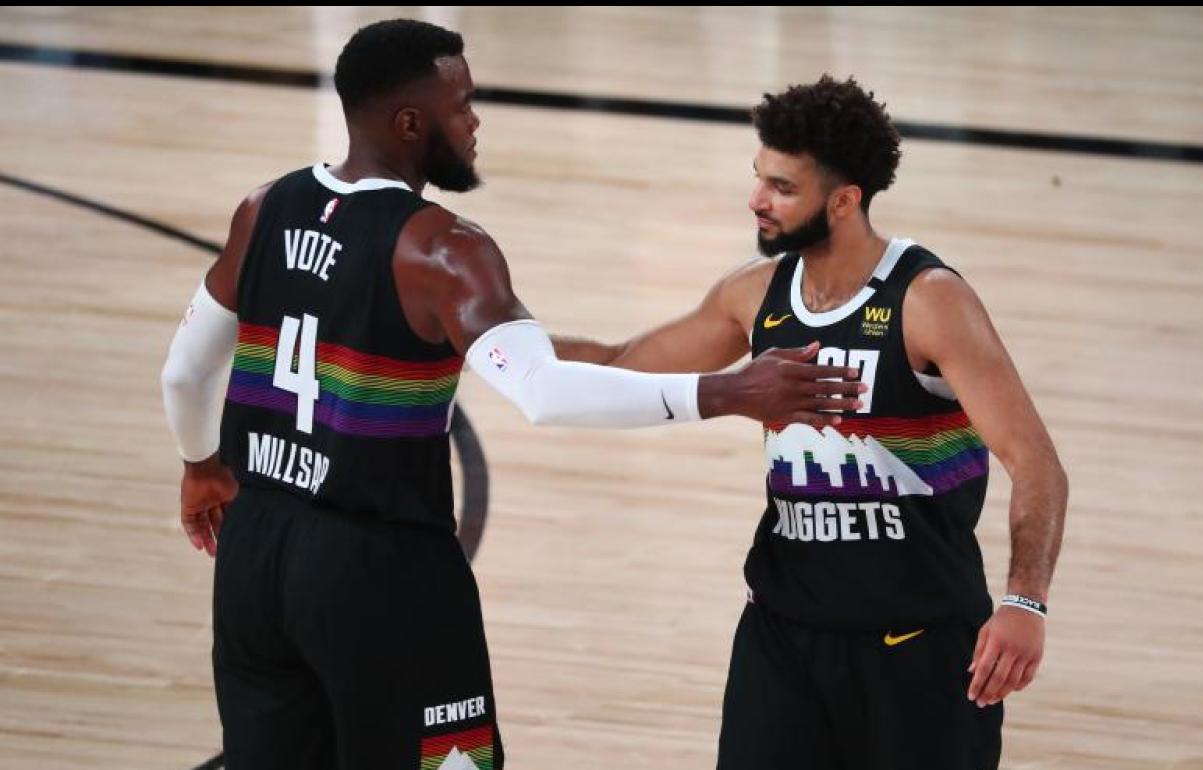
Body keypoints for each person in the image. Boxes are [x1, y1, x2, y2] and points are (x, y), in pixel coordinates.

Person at [158, 20, 864, 770]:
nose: (474, 120)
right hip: (378, 570)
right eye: (460, 103)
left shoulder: (265, 207)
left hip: (255, 554)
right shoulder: (442, 249)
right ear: (409, 123)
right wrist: (731, 390)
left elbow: (184, 372)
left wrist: (200, 465)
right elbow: (544, 393)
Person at [555, 75, 1068, 769]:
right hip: (783, 637)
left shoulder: (929, 300)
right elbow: (622, 363)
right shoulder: (755, 294)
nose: (756, 200)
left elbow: (1034, 461)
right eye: (758, 178)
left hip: (918, 645)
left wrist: (1025, 602)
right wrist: (480, 338)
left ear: (845, 199)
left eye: (782, 187)